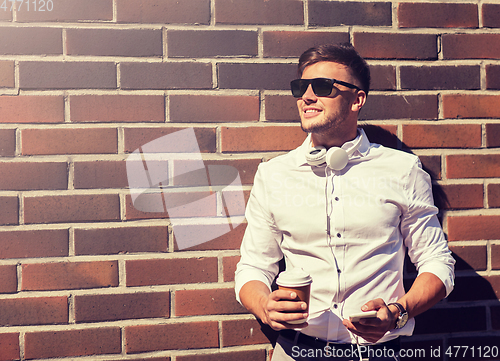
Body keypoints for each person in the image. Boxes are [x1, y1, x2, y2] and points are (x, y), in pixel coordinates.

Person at [234, 43, 455, 361]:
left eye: (322, 86)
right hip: (297, 351)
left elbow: (437, 262)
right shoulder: (274, 175)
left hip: (382, 352)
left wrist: (398, 311)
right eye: (301, 87)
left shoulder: (402, 170)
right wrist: (264, 307)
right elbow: (253, 266)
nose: (307, 96)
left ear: (357, 99)